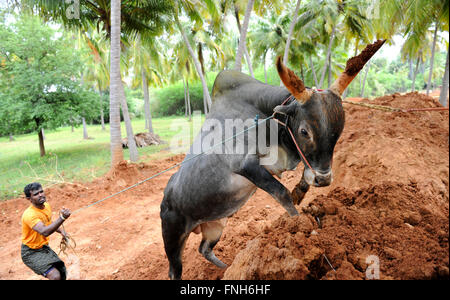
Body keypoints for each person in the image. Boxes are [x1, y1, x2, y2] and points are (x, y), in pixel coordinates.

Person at [21, 182, 71, 280]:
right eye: (36, 194)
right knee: (55, 276)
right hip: (30, 252)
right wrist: (62, 218)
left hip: (43, 247)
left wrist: (61, 231)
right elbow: (45, 231)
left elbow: (48, 223)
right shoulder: (30, 215)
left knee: (62, 271)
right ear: (29, 199)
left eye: (41, 191)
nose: (40, 195)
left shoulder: (46, 206)